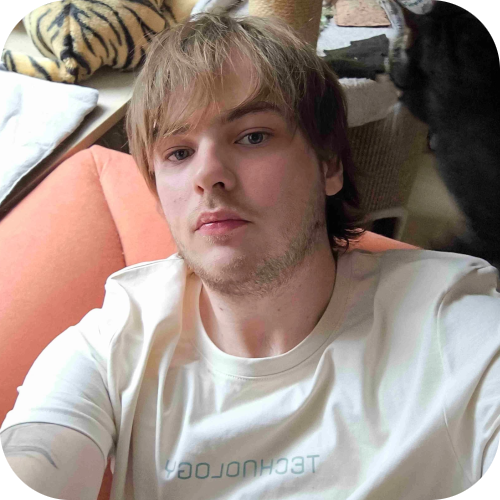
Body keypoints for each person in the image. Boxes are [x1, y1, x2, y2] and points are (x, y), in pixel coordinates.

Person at [1, 13, 499, 500]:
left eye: (253, 136)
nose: (208, 175)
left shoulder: (455, 329)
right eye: (178, 152)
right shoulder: (112, 349)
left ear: (328, 166)